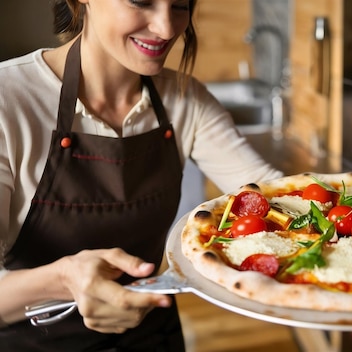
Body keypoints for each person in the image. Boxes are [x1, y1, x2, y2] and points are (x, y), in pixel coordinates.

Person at [0, 0, 282, 350]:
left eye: (179, 5)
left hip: (153, 336)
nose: (166, 28)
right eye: (141, 1)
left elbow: (273, 196)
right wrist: (63, 279)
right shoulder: (8, 99)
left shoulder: (186, 100)